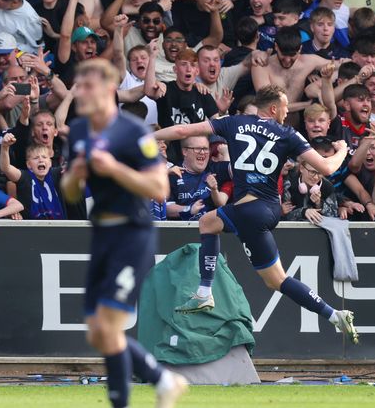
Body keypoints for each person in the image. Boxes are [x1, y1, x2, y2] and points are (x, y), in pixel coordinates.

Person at [152, 85, 360, 344]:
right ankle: (334, 315)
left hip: (249, 210)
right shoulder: (288, 134)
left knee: (209, 224)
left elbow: (183, 131)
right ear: (273, 108)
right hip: (265, 209)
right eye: (285, 107)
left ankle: (205, 291)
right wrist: (341, 149)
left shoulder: (234, 122)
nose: (287, 113)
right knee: (274, 278)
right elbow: (327, 167)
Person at [60, 59, 187, 408]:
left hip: (133, 234)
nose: (79, 92)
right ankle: (163, 379)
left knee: (110, 325)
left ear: (108, 90)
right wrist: (76, 175)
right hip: (101, 234)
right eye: (78, 85)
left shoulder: (133, 133)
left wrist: (113, 169)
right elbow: (69, 192)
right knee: (98, 331)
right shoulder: (80, 129)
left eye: (86, 86)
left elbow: (159, 189)